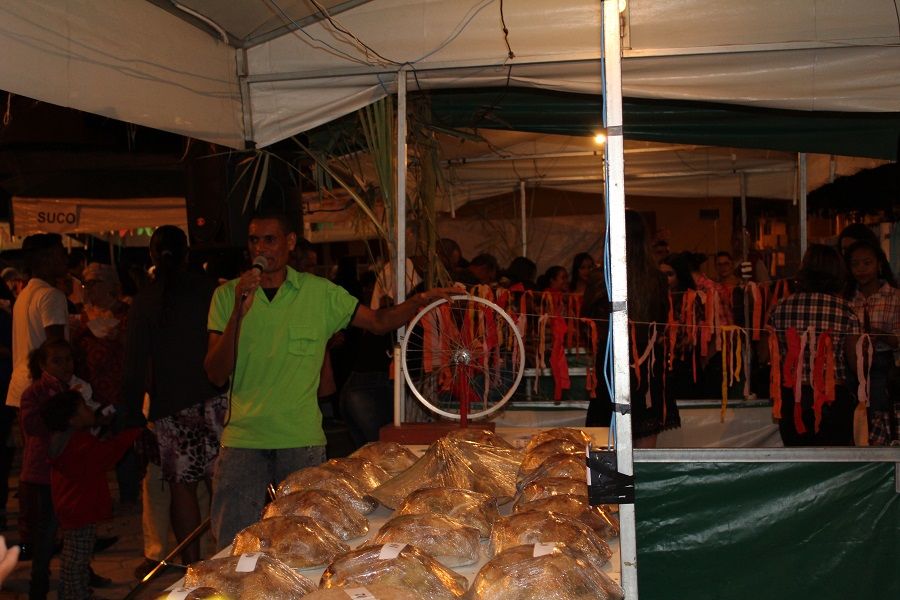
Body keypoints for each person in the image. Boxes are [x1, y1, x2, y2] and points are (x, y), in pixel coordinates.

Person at [204, 210, 451, 549]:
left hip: (300, 439)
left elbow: (378, 322)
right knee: (232, 544)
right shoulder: (227, 296)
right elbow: (215, 373)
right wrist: (237, 313)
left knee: (304, 542)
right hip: (243, 440)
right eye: (254, 240)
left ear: (290, 242)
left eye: (270, 239)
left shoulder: (319, 293)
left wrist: (420, 301)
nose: (260, 248)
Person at [122, 225, 225, 566]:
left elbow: (134, 363)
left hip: (170, 404)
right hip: (214, 396)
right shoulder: (209, 291)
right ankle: (228, 560)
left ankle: (192, 566)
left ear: (152, 255)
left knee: (182, 487)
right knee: (220, 483)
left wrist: (131, 415)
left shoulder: (145, 300)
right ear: (187, 254)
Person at [583, 211, 679, 447]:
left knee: (607, 441)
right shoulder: (657, 278)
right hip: (647, 364)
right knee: (646, 441)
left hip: (612, 363)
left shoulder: (600, 278)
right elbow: (662, 323)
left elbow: (587, 324)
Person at [43, 390, 140, 600]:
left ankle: (70, 592)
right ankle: (76, 595)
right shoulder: (78, 443)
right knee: (78, 557)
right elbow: (106, 455)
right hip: (80, 508)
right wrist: (130, 435)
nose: (89, 409)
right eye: (84, 407)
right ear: (72, 419)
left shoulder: (65, 440)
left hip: (72, 506)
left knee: (74, 554)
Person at [761, 245, 860, 446]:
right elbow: (855, 361)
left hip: (793, 397)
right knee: (833, 459)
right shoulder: (847, 310)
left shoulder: (780, 307)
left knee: (798, 458)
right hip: (832, 397)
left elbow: (764, 354)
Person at [18, 339, 92, 600]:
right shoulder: (35, 392)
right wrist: (65, 413)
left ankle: (80, 577)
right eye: (57, 361)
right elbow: (32, 426)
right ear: (43, 364)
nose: (65, 366)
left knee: (76, 528)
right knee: (46, 533)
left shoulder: (72, 388)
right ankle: (38, 583)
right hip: (43, 474)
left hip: (67, 471)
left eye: (68, 359)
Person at [71, 263, 137, 504]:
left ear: (110, 285)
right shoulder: (82, 317)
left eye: (94, 283)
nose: (89, 288)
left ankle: (128, 494)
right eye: (86, 283)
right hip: (90, 391)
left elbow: (137, 347)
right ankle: (96, 497)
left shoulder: (126, 313)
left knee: (123, 443)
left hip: (120, 389)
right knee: (90, 445)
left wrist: (120, 337)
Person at [844, 240, 899, 445]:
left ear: (879, 264)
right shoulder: (847, 299)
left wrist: (880, 334)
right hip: (851, 366)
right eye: (855, 264)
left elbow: (898, 339)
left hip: (882, 365)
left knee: (876, 414)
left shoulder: (894, 297)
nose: (861, 269)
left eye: (867, 263)